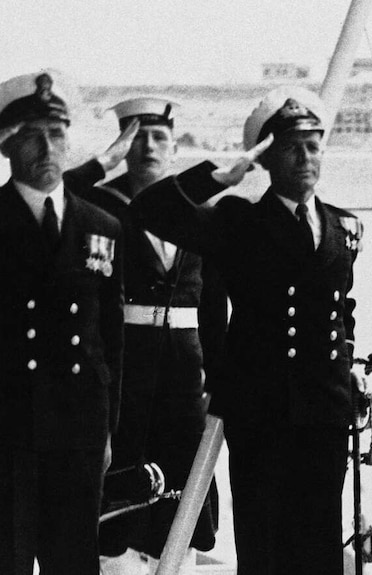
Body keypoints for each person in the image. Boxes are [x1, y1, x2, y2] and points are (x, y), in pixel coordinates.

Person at [128, 86, 364, 575]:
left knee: (321, 546)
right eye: (291, 146)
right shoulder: (238, 222)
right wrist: (220, 174)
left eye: (314, 145)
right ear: (267, 157)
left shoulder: (344, 227)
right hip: (263, 414)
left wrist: (349, 375)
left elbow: (343, 312)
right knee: (265, 548)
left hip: (325, 411)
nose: (305, 157)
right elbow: (150, 209)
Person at [70, 97, 223, 575]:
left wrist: (217, 374)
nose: (148, 146)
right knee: (121, 476)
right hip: (124, 370)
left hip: (185, 371)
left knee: (188, 477)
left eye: (159, 137)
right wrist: (102, 163)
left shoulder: (200, 210)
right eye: (137, 136)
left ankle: (179, 560)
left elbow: (214, 304)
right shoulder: (98, 204)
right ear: (122, 144)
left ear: (175, 147)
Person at [0, 70, 124, 575]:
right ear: (7, 146)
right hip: (8, 426)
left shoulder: (102, 227)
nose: (47, 147)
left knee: (73, 560)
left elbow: (111, 343)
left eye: (55, 133)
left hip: (78, 428)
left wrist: (108, 431)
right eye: (31, 135)